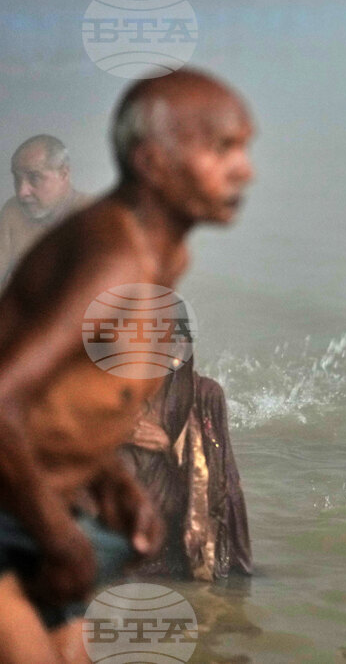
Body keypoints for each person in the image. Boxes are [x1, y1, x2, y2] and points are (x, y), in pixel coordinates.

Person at [0, 69, 254, 662]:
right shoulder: (116, 254)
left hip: (31, 506)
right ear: (153, 162)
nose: (244, 169)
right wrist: (61, 538)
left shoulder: (162, 254)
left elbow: (62, 399)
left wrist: (110, 480)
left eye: (244, 148)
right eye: (221, 149)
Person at [120, 316, 252, 582]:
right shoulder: (116, 397)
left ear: (178, 351)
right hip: (121, 553)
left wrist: (172, 447)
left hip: (178, 559)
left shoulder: (204, 396)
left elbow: (220, 490)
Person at [0, 135, 89, 287]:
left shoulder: (97, 216)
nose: (22, 192)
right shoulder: (12, 210)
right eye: (17, 179)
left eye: (34, 177)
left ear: (64, 174)